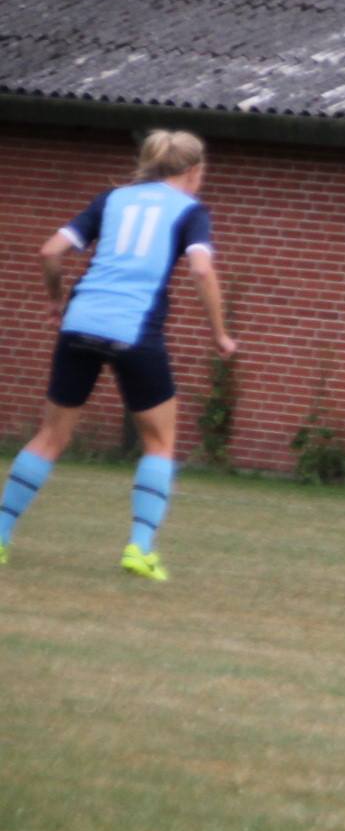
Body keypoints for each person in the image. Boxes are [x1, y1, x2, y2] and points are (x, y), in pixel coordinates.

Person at [1, 130, 238, 580]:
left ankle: (0, 536)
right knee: (159, 443)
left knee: (50, 437)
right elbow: (201, 270)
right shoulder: (190, 211)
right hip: (134, 331)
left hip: (79, 323)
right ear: (194, 170)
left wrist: (55, 300)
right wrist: (220, 334)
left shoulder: (112, 199)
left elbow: (51, 251)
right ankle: (140, 549)